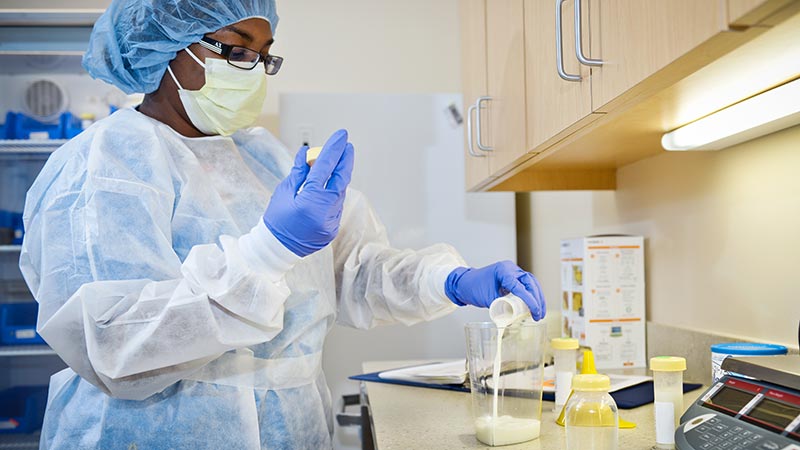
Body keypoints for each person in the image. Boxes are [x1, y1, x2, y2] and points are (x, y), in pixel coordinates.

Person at [19, 1, 546, 448]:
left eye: (264, 56)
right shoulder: (104, 166)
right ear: (167, 47)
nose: (253, 68)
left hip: (293, 431)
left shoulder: (262, 160)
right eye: (238, 49)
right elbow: (112, 344)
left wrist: (450, 281)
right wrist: (269, 251)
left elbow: (349, 272)